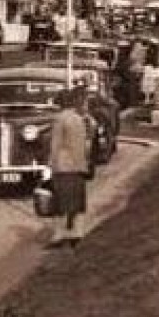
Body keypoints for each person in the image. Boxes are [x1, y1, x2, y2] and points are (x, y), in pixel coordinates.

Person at [46, 85, 93, 245]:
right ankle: (77, 233)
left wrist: (50, 164)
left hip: (63, 166)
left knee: (60, 203)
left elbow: (56, 144)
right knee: (78, 201)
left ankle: (58, 235)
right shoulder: (80, 119)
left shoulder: (60, 119)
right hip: (78, 165)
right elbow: (86, 144)